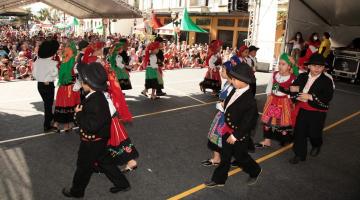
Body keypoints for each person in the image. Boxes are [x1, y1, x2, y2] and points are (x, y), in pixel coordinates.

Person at [62, 62, 130, 198]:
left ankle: (76, 192)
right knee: (104, 161)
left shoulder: (96, 101)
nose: (80, 83)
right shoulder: (96, 96)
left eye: (82, 81)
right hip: (99, 139)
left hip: (93, 141)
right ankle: (122, 184)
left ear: (89, 84)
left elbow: (91, 126)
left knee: (83, 166)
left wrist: (78, 114)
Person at [205, 63, 261, 187]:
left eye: (235, 79)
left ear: (244, 81)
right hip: (227, 130)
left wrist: (235, 136)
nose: (232, 81)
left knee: (241, 157)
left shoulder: (250, 100)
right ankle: (219, 179)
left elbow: (249, 122)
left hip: (238, 135)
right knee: (225, 157)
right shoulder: (235, 89)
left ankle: (255, 170)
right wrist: (222, 106)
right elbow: (229, 106)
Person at [289, 53, 334, 164]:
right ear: (308, 66)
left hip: (317, 111)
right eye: (314, 65)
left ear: (324, 68)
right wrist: (293, 94)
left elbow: (327, 97)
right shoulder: (302, 76)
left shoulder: (327, 81)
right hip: (302, 109)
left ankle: (317, 144)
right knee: (299, 133)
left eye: (320, 66)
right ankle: (299, 154)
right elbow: (294, 88)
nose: (317, 68)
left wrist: (310, 97)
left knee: (314, 133)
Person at [255, 53, 297, 148]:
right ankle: (267, 140)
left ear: (289, 66)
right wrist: (269, 97)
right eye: (279, 64)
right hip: (273, 100)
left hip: (285, 102)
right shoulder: (275, 75)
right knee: (269, 121)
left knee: (283, 122)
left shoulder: (293, 78)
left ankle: (285, 139)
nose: (280, 66)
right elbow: (271, 87)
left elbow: (294, 93)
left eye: (283, 64)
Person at [202, 61, 234, 167]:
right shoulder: (227, 83)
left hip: (228, 117)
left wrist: (220, 105)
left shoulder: (233, 87)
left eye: (223, 70)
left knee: (224, 138)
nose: (221, 71)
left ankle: (232, 159)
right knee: (215, 136)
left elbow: (230, 105)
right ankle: (216, 158)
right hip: (221, 115)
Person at [32, 39, 59, 132]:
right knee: (48, 105)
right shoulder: (52, 63)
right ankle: (47, 125)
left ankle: (50, 119)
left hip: (40, 85)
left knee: (47, 105)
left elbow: (34, 74)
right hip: (48, 85)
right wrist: (47, 78)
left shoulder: (37, 61)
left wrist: (42, 78)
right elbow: (55, 74)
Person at [53, 41, 81, 132]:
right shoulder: (73, 63)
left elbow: (59, 75)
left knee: (61, 105)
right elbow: (76, 74)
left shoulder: (62, 63)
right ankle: (66, 126)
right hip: (70, 88)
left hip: (62, 88)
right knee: (69, 106)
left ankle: (56, 124)